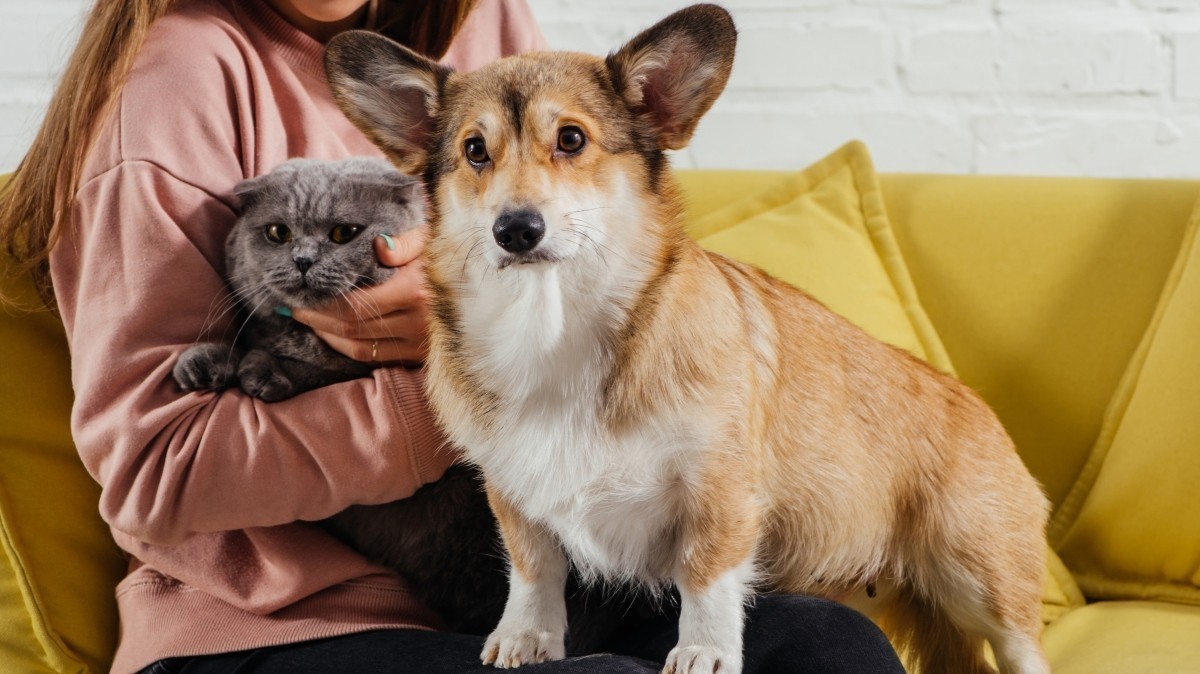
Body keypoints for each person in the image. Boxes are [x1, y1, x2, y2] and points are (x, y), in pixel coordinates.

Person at [0, 1, 908, 672]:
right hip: (283, 623)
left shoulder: (487, 27)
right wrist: (439, 382)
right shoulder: (175, 87)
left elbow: (577, 248)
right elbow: (155, 471)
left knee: (831, 650)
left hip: (531, 590)